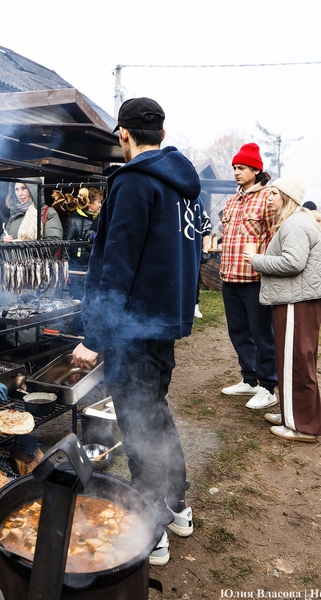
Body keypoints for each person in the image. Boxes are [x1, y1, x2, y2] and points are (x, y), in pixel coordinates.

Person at [71, 97, 201, 566]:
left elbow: (117, 266)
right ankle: (177, 505)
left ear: (123, 134)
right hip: (162, 322)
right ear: (161, 134)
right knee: (156, 415)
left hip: (132, 326)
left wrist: (93, 337)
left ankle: (151, 529)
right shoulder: (184, 184)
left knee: (139, 424)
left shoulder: (133, 183)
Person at [244, 174, 321, 442]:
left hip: (296, 302)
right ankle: (292, 414)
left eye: (274, 193)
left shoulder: (295, 224)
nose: (270, 197)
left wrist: (257, 260)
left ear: (287, 197)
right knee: (293, 360)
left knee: (296, 361)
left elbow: (293, 263)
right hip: (296, 300)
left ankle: (302, 425)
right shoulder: (296, 222)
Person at [218, 143, 278, 411]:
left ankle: (268, 387)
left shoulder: (267, 198)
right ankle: (250, 379)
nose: (236, 172)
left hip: (255, 279)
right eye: (234, 168)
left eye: (241, 168)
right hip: (229, 277)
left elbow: (277, 236)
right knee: (238, 333)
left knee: (262, 334)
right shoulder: (232, 201)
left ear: (256, 169)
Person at [64, 187, 103, 309]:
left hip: (93, 269)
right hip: (77, 271)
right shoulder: (73, 220)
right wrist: (66, 272)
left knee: (93, 305)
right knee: (79, 307)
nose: (100, 206)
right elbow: (66, 246)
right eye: (98, 202)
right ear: (89, 203)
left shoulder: (99, 220)